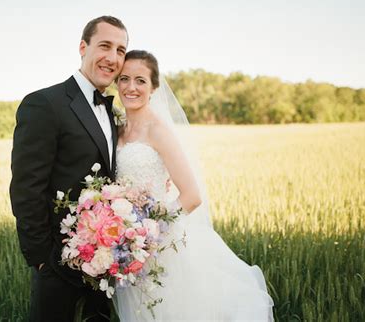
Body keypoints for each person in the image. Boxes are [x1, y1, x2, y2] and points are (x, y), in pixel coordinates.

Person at [114, 50, 274, 321]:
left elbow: (191, 196)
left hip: (158, 246)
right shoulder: (117, 127)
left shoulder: (158, 131)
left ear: (153, 87)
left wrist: (149, 234)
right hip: (127, 246)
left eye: (140, 80)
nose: (131, 87)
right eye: (124, 79)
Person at [10, 15, 128, 322]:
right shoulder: (44, 104)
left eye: (120, 50)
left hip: (104, 264)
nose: (112, 58)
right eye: (105, 46)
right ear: (82, 47)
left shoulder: (114, 112)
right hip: (56, 267)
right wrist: (42, 261)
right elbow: (26, 187)